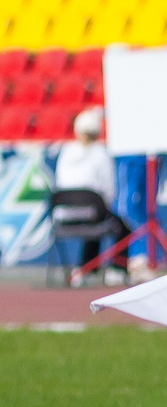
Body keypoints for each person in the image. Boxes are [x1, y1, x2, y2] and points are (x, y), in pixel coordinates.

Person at [53, 106, 130, 284]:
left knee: (95, 218)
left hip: (63, 215)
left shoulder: (66, 152)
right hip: (93, 213)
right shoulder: (101, 155)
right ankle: (117, 271)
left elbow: (59, 182)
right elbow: (109, 191)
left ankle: (88, 268)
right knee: (120, 226)